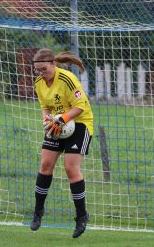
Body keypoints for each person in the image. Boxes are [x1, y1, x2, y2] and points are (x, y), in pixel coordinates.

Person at [30, 48, 94, 238]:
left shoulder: (67, 79)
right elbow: (45, 107)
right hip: (58, 124)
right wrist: (47, 121)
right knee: (45, 164)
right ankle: (38, 212)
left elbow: (80, 107)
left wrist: (62, 119)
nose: (41, 74)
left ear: (53, 64)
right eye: (37, 70)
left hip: (80, 123)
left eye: (44, 69)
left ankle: (81, 216)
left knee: (70, 168)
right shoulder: (39, 83)